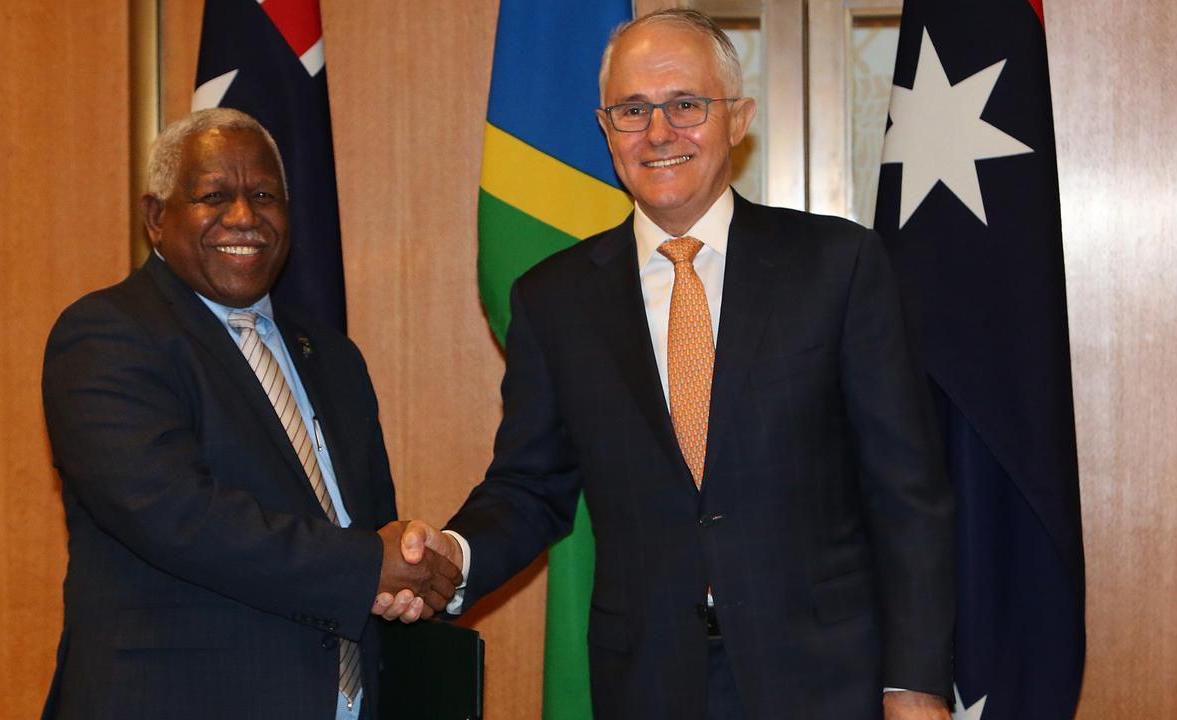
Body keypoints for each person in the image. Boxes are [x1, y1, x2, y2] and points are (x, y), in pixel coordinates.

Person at [401, 9, 955, 720]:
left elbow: (906, 492)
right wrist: (450, 558)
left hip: (827, 678)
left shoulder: (838, 267)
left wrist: (913, 682)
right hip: (649, 683)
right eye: (632, 110)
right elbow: (528, 487)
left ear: (738, 118)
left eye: (685, 105)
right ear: (605, 128)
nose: (658, 133)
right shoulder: (554, 300)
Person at [40, 108, 460, 720]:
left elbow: (364, 526)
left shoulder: (333, 356)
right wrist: (371, 566)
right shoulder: (107, 335)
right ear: (156, 218)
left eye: (264, 195)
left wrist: (409, 569)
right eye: (214, 196)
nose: (244, 217)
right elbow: (175, 514)